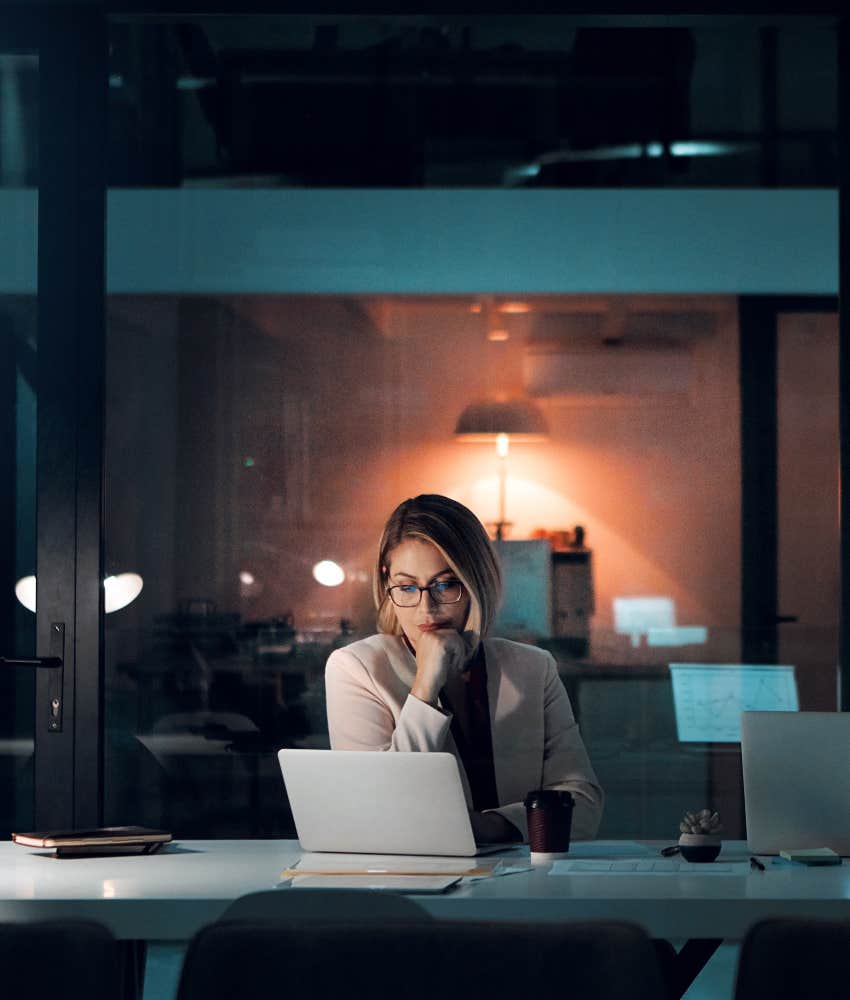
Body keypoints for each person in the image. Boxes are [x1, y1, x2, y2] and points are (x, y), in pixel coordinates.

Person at [325, 494, 603, 844]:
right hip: (407, 875)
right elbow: (379, 809)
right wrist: (425, 686)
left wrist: (487, 826)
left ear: (476, 582)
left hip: (524, 878)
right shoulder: (356, 668)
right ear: (387, 582)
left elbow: (583, 804)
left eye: (445, 585)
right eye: (408, 586)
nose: (426, 608)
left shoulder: (534, 668)